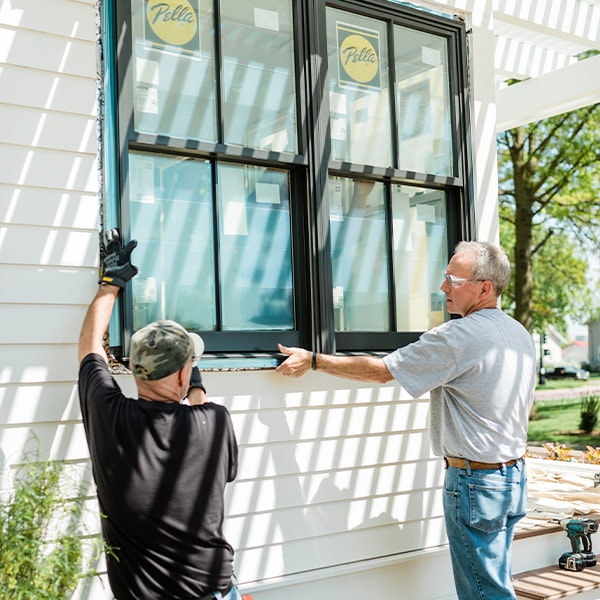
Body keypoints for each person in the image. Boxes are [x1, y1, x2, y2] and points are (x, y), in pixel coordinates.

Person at [276, 241, 536, 600]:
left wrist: (315, 360)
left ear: (484, 288)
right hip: (512, 479)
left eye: (453, 280)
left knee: (484, 593)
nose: (443, 287)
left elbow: (383, 371)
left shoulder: (459, 336)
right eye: (445, 277)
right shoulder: (517, 333)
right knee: (495, 583)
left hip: (478, 484)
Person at [78, 229, 240, 600]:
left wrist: (110, 284)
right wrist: (193, 383)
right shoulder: (214, 423)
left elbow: (90, 349)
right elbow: (200, 410)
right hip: (212, 591)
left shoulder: (110, 416)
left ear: (135, 368)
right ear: (184, 374)